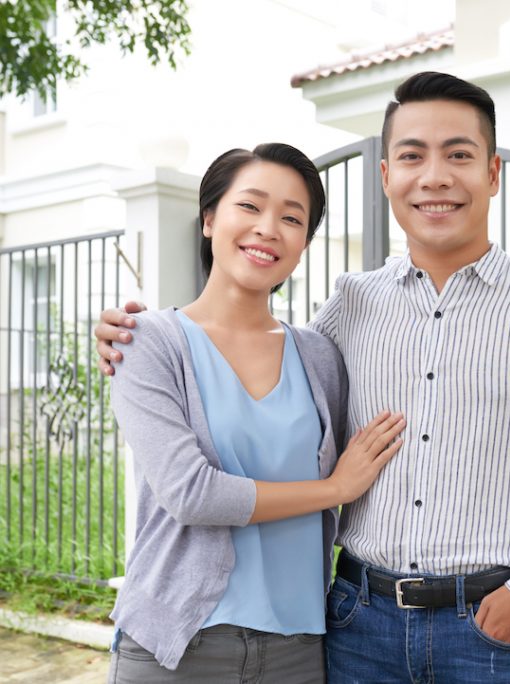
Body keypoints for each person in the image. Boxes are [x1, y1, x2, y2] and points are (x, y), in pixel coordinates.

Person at [96, 72, 510, 684]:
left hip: (490, 630)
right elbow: (247, 346)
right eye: (412, 156)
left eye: (458, 155)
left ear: (492, 173)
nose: (434, 176)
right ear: (387, 176)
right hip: (356, 625)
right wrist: (139, 339)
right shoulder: (351, 306)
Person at [104, 143, 405, 683]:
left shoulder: (319, 356)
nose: (269, 228)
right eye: (250, 206)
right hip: (178, 646)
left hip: (299, 649)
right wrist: (335, 489)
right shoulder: (145, 341)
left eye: (292, 218)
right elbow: (191, 493)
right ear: (209, 218)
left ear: (304, 243)